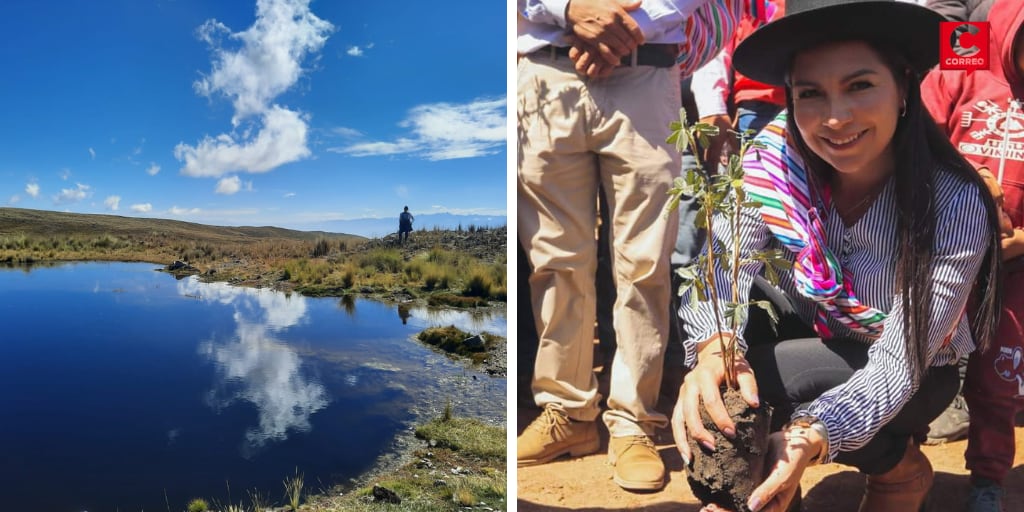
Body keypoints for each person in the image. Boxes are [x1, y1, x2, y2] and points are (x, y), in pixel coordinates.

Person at [670, 1, 1004, 511]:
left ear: (904, 86)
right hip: (811, 329)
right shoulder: (771, 161)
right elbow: (721, 266)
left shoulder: (953, 200)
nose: (835, 117)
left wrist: (811, 433)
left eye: (859, 85)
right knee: (727, 368)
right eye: (810, 93)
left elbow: (901, 360)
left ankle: (896, 467)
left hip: (912, 369)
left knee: (768, 383)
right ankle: (766, 495)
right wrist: (716, 353)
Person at [517, 0, 762, 492]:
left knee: (644, 262)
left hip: (646, 71)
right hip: (545, 74)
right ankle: (568, 414)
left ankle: (633, 422)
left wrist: (630, 26)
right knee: (554, 262)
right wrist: (569, 8)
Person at [921, 2, 1024, 510]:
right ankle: (902, 469)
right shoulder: (967, 47)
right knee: (914, 359)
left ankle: (988, 479)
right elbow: (913, 137)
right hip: (940, 252)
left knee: (998, 376)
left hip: (1015, 264)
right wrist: (966, 182)